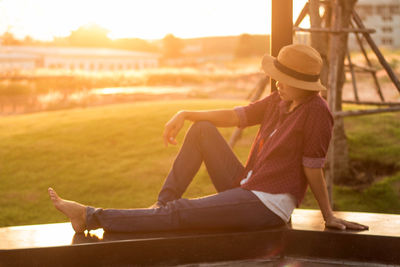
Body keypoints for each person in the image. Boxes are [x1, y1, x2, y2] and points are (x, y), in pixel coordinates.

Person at [48, 44, 368, 233]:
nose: (276, 82)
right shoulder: (279, 100)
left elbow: (313, 168)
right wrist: (187, 112)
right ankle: (158, 208)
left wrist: (329, 216)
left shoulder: (316, 112)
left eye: (282, 78)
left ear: (303, 84)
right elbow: (235, 116)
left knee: (181, 212)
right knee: (201, 130)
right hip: (247, 185)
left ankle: (90, 216)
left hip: (268, 204)